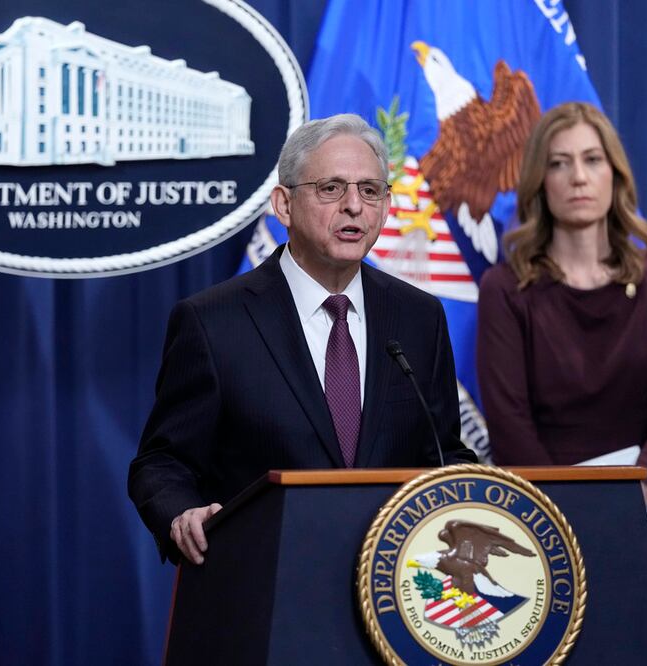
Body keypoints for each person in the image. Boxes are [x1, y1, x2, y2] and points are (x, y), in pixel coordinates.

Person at [129, 114, 477, 566]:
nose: (354, 205)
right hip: (262, 580)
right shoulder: (213, 322)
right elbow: (162, 462)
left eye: (370, 190)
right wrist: (182, 513)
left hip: (394, 588)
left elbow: (443, 453)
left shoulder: (418, 317)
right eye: (331, 188)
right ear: (284, 205)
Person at [476, 101, 647, 664]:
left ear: (615, 175)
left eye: (592, 159)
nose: (578, 176)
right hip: (546, 522)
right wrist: (575, 508)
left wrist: (630, 498)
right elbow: (508, 422)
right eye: (559, 163)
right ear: (538, 182)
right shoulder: (507, 289)